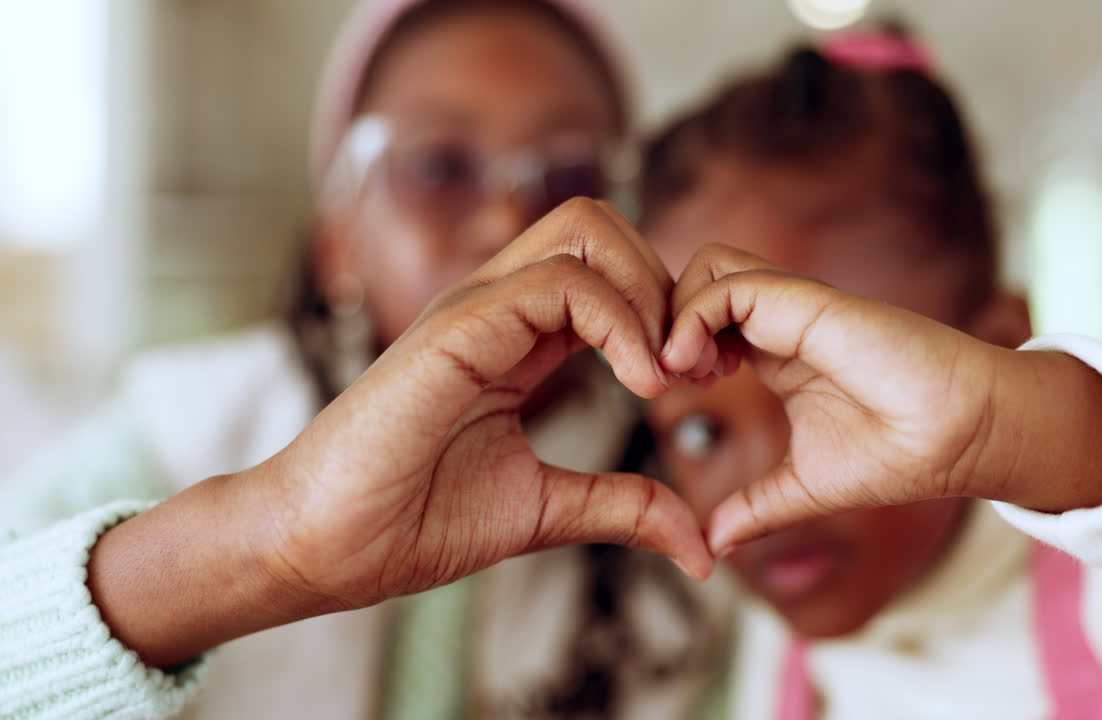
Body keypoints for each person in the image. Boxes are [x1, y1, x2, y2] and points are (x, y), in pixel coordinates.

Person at [0, 2, 717, 718]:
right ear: (340, 241)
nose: (508, 221)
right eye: (440, 166)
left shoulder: (689, 488)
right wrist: (268, 541)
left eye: (571, 174)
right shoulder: (184, 425)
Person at [643, 39, 1102, 718]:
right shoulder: (778, 648)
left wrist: (1015, 422)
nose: (766, 487)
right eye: (704, 431)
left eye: (838, 396)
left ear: (999, 348)